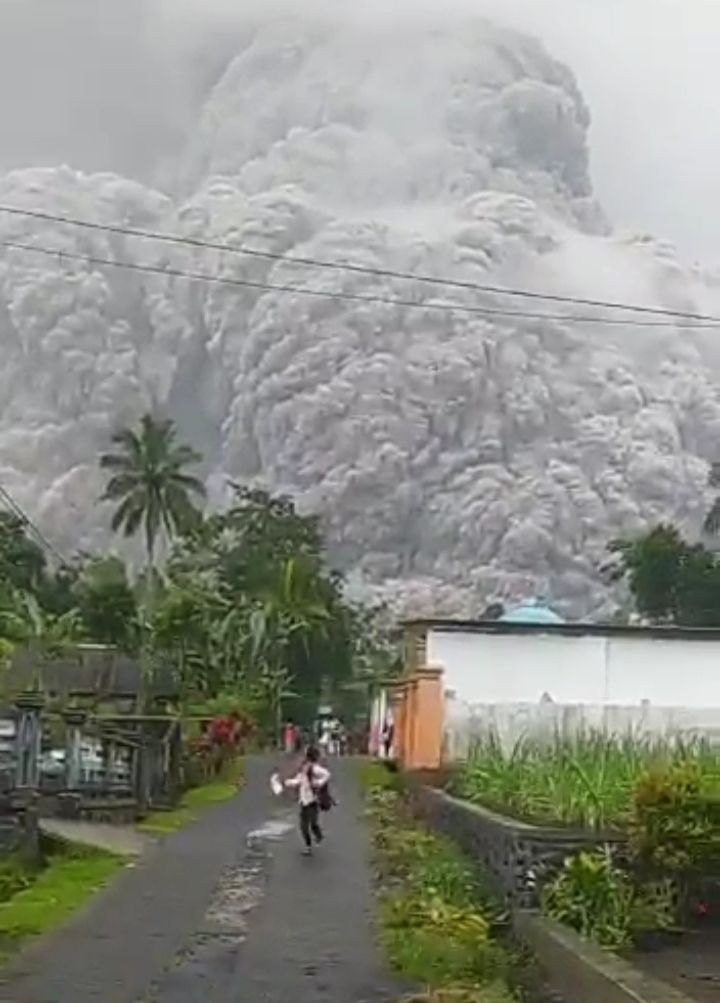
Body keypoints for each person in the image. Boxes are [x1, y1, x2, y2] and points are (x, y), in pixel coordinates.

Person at [281, 746, 331, 855]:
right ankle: (308, 847)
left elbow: (327, 774)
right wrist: (287, 782)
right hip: (304, 801)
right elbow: (298, 781)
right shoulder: (303, 769)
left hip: (312, 801)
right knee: (304, 826)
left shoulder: (314, 769)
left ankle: (318, 835)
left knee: (313, 823)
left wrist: (318, 783)